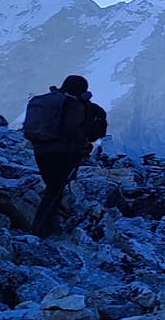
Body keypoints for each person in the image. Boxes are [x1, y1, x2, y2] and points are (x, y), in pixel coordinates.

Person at [22, 74, 108, 237]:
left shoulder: (49, 100)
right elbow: (71, 128)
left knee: (52, 188)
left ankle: (46, 225)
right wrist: (85, 144)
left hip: (40, 149)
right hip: (61, 153)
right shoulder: (72, 104)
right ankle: (41, 229)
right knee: (56, 190)